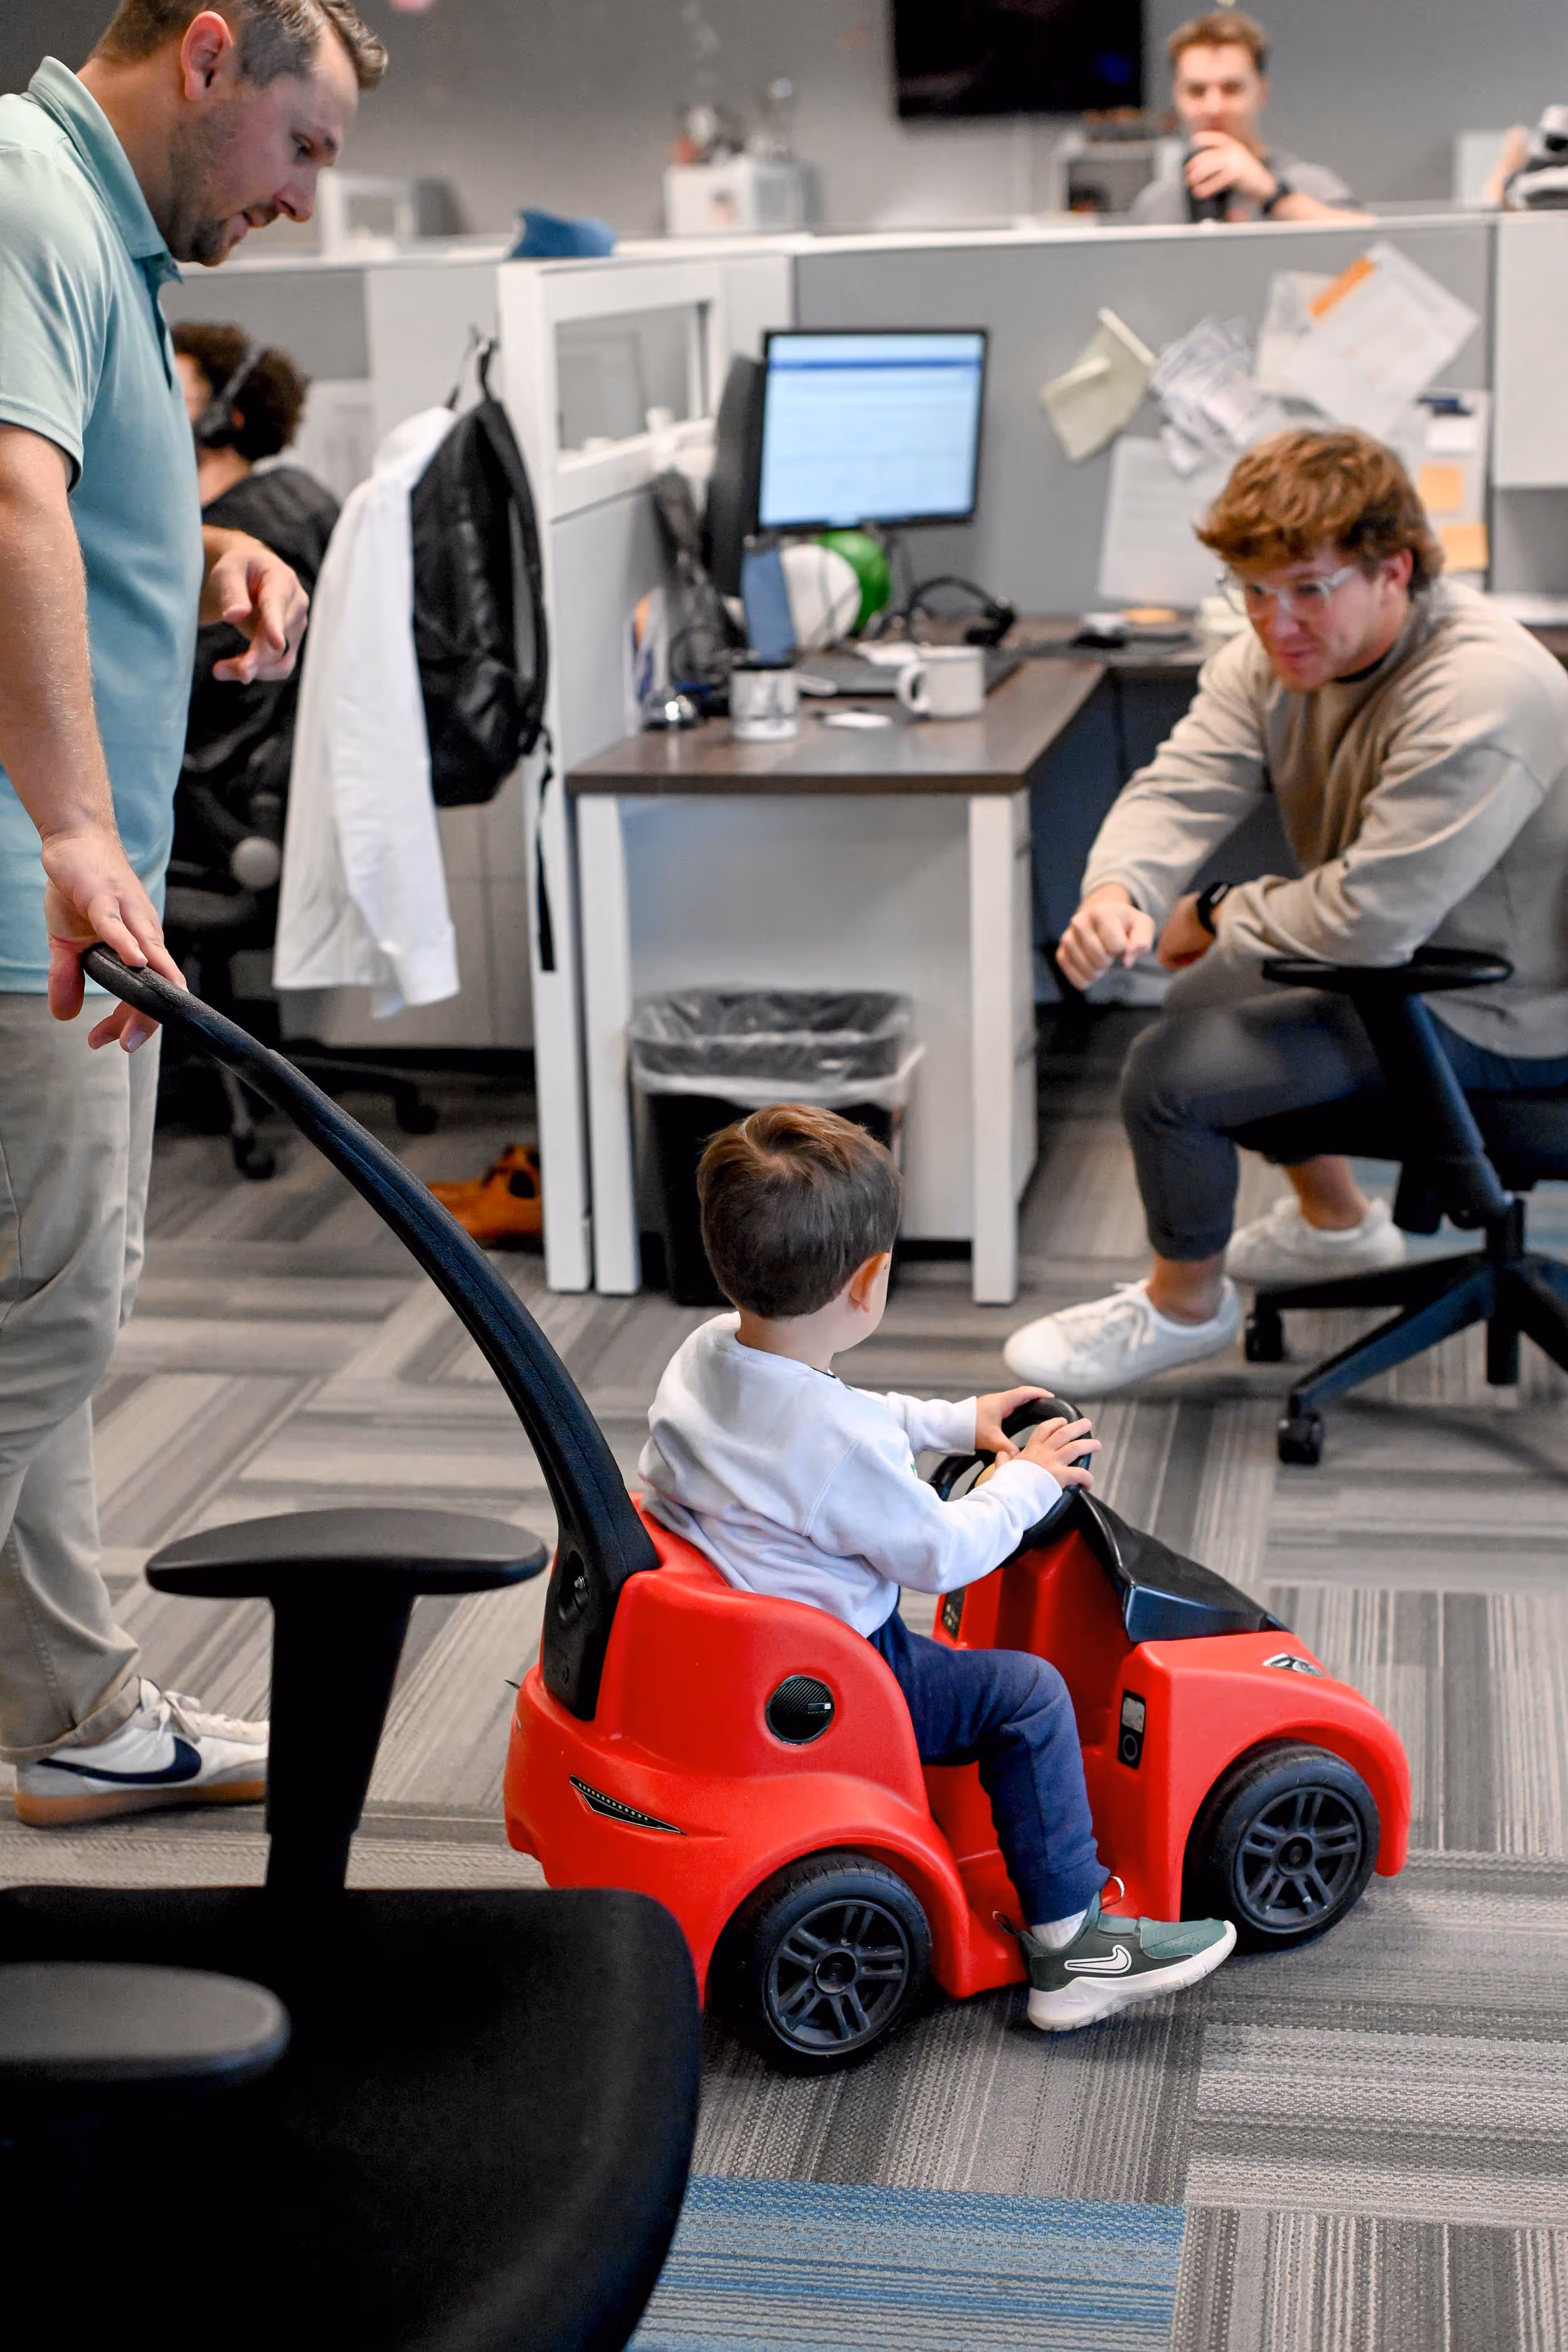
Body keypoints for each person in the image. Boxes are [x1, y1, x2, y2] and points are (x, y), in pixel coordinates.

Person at [0, 0, 385, 1826]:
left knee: (38, 1323)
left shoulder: (102, 229)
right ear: (211, 54)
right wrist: (79, 829)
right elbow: (3, 498)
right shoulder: (24, 191)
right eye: (303, 148)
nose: (309, 199)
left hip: (63, 887)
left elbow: (70, 498)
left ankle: (72, 1711)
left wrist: (198, 547)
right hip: (31, 902)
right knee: (44, 1330)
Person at [638, 1103, 1236, 2032]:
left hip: (738, 1634)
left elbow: (838, 1408)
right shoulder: (833, 1451)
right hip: (845, 1673)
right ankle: (1072, 1949)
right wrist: (1029, 1481)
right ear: (870, 1283)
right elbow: (945, 1550)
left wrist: (955, 1421)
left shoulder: (710, 1350)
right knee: (1027, 1695)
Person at [1005, 426, 1568, 1397]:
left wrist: (1216, 914)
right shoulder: (1275, 654)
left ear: (1393, 571)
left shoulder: (1483, 691)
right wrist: (1119, 892)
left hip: (1512, 1007)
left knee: (1174, 1071)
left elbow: (1363, 922)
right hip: (1403, 969)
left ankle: (1186, 1304)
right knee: (1208, 1003)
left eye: (1309, 587)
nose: (1276, 621)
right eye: (1254, 591)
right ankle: (1338, 1226)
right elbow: (1179, 786)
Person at [172, 321, 339, 881]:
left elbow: (182, 699)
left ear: (226, 418)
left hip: (213, 810)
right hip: (267, 807)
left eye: (173, 392)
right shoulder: (298, 500)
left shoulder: (235, 541)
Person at [1130, 11, 1366, 228]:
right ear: (1176, 96)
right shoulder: (1156, 205)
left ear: (1262, 92)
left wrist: (1274, 197)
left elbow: (1379, 256)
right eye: (1196, 91)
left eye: (1231, 89)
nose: (1214, 108)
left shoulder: (1307, 185)